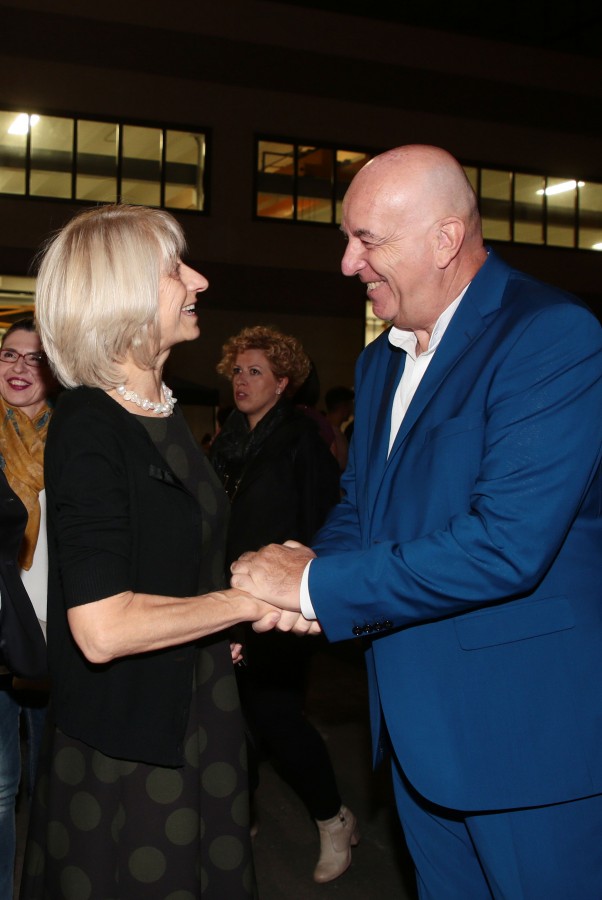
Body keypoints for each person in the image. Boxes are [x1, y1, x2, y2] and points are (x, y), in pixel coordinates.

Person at [230, 145, 602, 899]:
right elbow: (362, 505)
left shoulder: (550, 335)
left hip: (526, 743)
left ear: (445, 239)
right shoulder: (381, 360)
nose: (348, 263)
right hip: (414, 736)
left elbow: (507, 546)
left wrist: (315, 587)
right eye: (348, 239)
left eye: (367, 240)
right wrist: (308, 575)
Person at [19, 204, 284, 900]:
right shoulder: (90, 425)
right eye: (175, 269)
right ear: (122, 295)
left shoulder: (158, 413)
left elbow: (171, 555)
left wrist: (217, 620)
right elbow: (102, 628)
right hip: (130, 741)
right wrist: (242, 603)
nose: (198, 279)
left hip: (195, 707)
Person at [210, 325, 359, 884]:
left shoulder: (300, 440)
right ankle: (241, 816)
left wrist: (309, 598)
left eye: (256, 371)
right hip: (226, 598)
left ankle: (333, 818)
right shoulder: (227, 441)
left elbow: (325, 523)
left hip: (280, 606)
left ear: (282, 383)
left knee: (274, 716)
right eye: (237, 370)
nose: (242, 380)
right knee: (232, 717)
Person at [0, 316, 54, 900]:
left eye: (34, 358)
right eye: (9, 355)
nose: (18, 367)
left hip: (61, 633)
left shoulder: (76, 440)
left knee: (54, 784)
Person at [324, 385, 354, 471]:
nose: (352, 409)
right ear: (344, 407)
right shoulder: (330, 433)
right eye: (351, 404)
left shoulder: (334, 431)